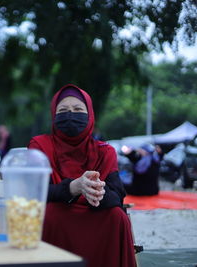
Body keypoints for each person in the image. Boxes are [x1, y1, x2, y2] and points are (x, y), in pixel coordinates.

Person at [28, 84, 136, 267]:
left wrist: (96, 191)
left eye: (78, 109)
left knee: (117, 216)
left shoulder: (105, 151)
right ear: (54, 115)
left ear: (90, 114)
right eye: (63, 110)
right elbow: (34, 191)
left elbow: (117, 195)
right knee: (49, 215)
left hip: (95, 213)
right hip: (57, 213)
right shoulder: (40, 146)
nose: (70, 114)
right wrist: (74, 187)